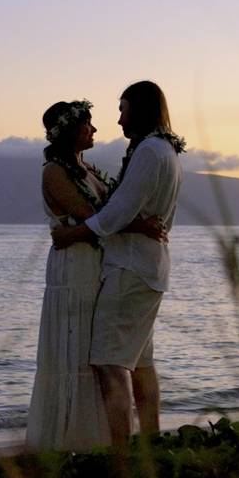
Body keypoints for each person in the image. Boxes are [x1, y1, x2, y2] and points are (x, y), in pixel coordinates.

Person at [25, 99, 164, 452]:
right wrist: (140, 225)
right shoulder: (54, 172)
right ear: (71, 130)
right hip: (74, 270)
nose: (95, 130)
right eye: (88, 124)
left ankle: (98, 436)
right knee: (75, 349)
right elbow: (94, 216)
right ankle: (68, 435)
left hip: (97, 266)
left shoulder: (88, 168)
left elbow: (105, 216)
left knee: (96, 351)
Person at [52, 81, 184, 444]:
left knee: (111, 364)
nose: (119, 118)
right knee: (141, 362)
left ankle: (122, 453)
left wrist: (72, 236)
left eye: (123, 109)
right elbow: (140, 214)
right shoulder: (168, 151)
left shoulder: (148, 151)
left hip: (131, 267)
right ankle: (152, 443)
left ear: (139, 110)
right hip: (150, 267)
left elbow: (117, 213)